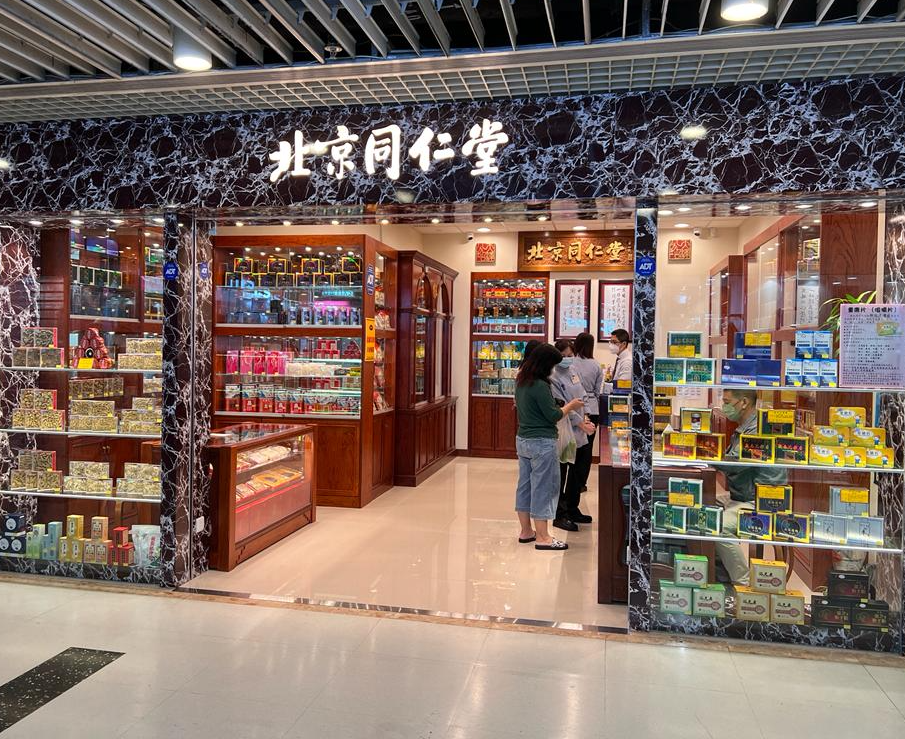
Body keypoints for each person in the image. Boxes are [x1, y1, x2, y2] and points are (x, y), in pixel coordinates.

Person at [514, 343, 584, 551]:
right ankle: (543, 537)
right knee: (543, 488)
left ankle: (526, 531)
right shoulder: (540, 385)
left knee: (525, 486)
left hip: (523, 439)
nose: (554, 370)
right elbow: (553, 415)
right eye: (553, 365)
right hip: (542, 442)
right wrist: (570, 406)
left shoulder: (521, 380)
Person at [716, 388, 788, 585]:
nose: (724, 407)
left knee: (718, 526)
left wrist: (702, 454)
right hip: (742, 496)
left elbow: (735, 463)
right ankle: (720, 575)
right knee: (702, 511)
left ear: (744, 403)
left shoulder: (757, 430)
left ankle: (744, 583)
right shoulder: (745, 427)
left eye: (727, 402)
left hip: (760, 502)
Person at [550, 339, 597, 531]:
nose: (568, 359)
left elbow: (583, 396)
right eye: (563, 356)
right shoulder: (552, 376)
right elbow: (562, 406)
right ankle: (559, 514)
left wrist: (586, 418)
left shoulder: (573, 371)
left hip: (580, 431)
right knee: (561, 473)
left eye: (570, 355)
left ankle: (572, 508)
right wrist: (581, 423)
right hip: (565, 431)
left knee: (578, 472)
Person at [571, 332, 604, 496]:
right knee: (587, 447)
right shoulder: (596, 365)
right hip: (592, 408)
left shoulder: (571, 363)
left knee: (572, 443)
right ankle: (581, 482)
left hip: (573, 407)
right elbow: (598, 391)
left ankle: (570, 480)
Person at [603, 329, 632, 395]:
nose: (611, 345)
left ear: (624, 344)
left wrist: (604, 386)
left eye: (614, 342)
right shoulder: (620, 359)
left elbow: (622, 387)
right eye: (610, 342)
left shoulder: (627, 362)